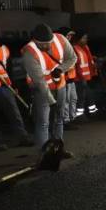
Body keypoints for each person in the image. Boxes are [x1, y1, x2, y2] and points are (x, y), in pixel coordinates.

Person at [22, 24, 76, 160]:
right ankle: (44, 156)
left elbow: (72, 58)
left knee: (59, 119)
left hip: (60, 86)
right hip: (42, 91)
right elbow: (40, 82)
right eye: (42, 44)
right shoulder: (29, 52)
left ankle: (59, 150)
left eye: (48, 43)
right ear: (35, 41)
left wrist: (61, 69)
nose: (46, 47)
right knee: (43, 123)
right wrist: (51, 101)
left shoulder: (61, 40)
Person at [72, 30, 98, 120]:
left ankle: (90, 113)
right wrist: (82, 77)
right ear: (78, 39)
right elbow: (77, 65)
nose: (86, 40)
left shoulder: (84, 48)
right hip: (79, 79)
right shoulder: (75, 48)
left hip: (85, 78)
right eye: (84, 38)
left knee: (87, 95)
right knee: (81, 97)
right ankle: (80, 116)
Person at [58, 28, 79, 130]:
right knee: (66, 100)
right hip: (65, 78)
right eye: (68, 35)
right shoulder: (61, 48)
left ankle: (72, 118)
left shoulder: (68, 47)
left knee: (73, 99)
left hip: (71, 78)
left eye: (71, 36)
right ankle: (66, 121)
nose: (70, 37)